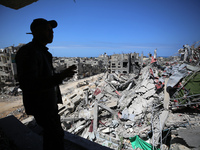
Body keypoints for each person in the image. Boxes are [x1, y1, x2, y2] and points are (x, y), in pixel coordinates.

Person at [15, 18, 77, 150]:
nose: (52, 32)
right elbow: (29, 84)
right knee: (55, 136)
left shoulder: (41, 52)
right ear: (36, 31)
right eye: (48, 29)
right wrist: (61, 76)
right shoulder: (28, 52)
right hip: (41, 105)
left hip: (48, 104)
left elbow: (43, 77)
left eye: (52, 30)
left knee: (52, 137)